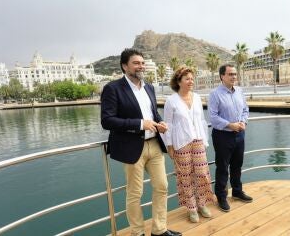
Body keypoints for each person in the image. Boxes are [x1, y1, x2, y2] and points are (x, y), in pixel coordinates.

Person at [100, 48, 181, 236]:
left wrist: (159, 123)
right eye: (136, 63)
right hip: (131, 148)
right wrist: (139, 124)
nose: (141, 66)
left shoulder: (149, 87)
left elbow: (153, 114)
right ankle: (137, 233)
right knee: (135, 194)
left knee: (162, 187)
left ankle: (159, 230)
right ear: (124, 66)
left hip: (154, 144)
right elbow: (107, 121)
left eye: (142, 63)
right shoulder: (112, 88)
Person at [162, 66, 214, 223]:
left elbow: (201, 120)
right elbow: (168, 125)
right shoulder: (171, 101)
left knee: (202, 174)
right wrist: (169, 146)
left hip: (198, 140)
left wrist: (204, 139)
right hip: (181, 143)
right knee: (185, 176)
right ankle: (191, 208)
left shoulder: (197, 97)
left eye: (192, 78)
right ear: (179, 81)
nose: (191, 81)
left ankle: (202, 203)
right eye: (187, 79)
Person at [208, 64, 252, 212]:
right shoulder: (214, 94)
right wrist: (229, 125)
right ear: (222, 76)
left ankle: (237, 191)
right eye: (230, 74)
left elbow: (245, 109)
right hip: (222, 136)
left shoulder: (239, 91)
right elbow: (213, 117)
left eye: (235, 74)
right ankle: (221, 196)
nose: (233, 76)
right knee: (222, 167)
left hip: (240, 134)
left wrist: (243, 122)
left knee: (237, 165)